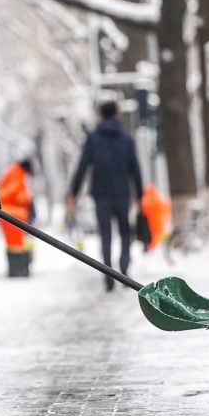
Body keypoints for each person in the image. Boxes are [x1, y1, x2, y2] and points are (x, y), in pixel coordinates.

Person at [66, 101, 143, 291]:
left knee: (106, 234)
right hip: (122, 192)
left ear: (100, 115)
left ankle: (109, 275)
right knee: (125, 231)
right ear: (117, 114)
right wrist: (139, 194)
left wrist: (73, 193)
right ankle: (124, 268)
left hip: (101, 194)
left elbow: (83, 166)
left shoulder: (93, 138)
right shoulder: (126, 138)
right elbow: (135, 169)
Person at [0, 158, 34, 277]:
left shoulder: (14, 173)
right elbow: (14, 194)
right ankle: (17, 271)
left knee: (15, 244)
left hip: (11, 215)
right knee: (15, 244)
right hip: (12, 215)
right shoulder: (16, 174)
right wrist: (26, 200)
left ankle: (16, 270)